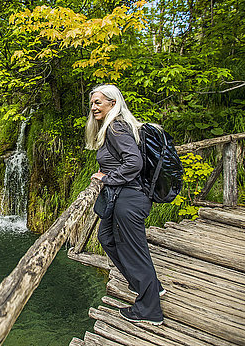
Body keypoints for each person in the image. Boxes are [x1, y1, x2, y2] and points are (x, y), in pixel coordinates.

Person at [86, 83, 165, 325]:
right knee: (106, 237)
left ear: (112, 102)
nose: (93, 106)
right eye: (91, 103)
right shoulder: (115, 126)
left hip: (129, 198)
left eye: (98, 102)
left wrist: (108, 178)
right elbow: (122, 159)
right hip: (122, 196)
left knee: (134, 252)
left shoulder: (116, 126)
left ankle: (149, 310)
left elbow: (133, 163)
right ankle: (149, 286)